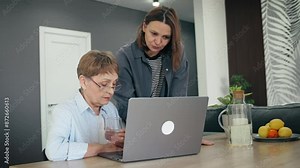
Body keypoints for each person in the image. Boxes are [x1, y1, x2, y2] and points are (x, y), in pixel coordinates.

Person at [113, 6, 213, 146]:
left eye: (165, 37)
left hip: (167, 130)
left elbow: (178, 100)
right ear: (144, 27)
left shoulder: (178, 53)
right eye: (154, 33)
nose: (158, 42)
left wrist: (184, 134)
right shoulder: (124, 56)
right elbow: (125, 105)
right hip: (137, 131)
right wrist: (150, 131)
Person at [45, 50, 125, 161]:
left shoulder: (110, 108)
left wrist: (122, 141)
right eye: (104, 84)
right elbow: (54, 151)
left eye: (114, 84)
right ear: (83, 82)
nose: (111, 91)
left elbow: (116, 145)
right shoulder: (64, 111)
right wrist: (102, 148)